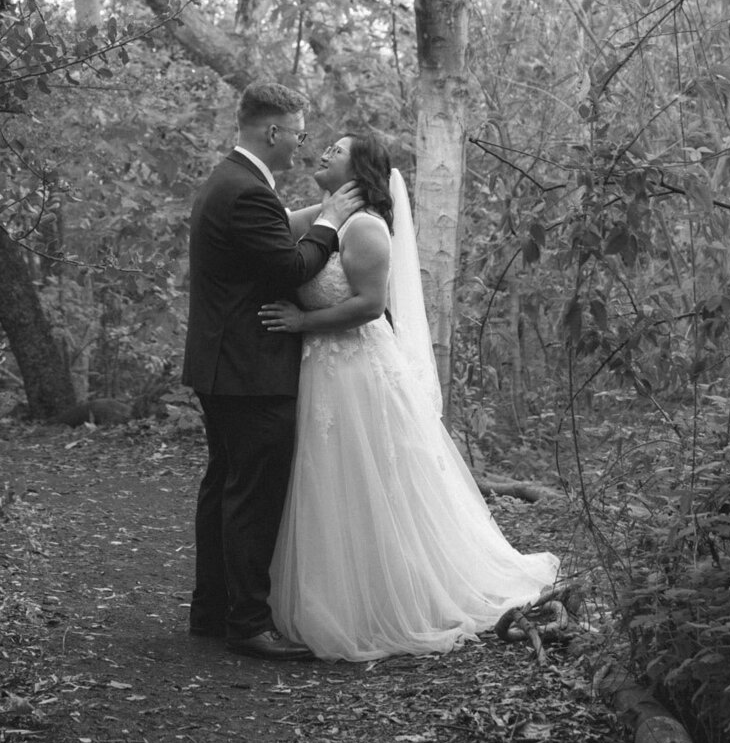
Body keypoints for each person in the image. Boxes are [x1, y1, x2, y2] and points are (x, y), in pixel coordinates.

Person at [260, 130, 559, 661]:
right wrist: (324, 206)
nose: (325, 151)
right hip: (323, 371)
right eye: (326, 145)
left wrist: (303, 320)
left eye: (337, 149)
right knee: (326, 481)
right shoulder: (331, 215)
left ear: (359, 170)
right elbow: (275, 226)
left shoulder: (367, 229)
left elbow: (371, 306)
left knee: (371, 478)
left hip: (357, 370)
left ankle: (388, 599)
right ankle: (337, 591)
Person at [182, 81, 363, 660]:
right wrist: (333, 219)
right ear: (273, 132)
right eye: (300, 134)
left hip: (221, 365)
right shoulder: (247, 192)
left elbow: (276, 226)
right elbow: (290, 265)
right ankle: (249, 623)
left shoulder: (226, 180)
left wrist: (321, 211)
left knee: (223, 486)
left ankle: (211, 611)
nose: (302, 146)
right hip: (251, 368)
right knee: (252, 495)